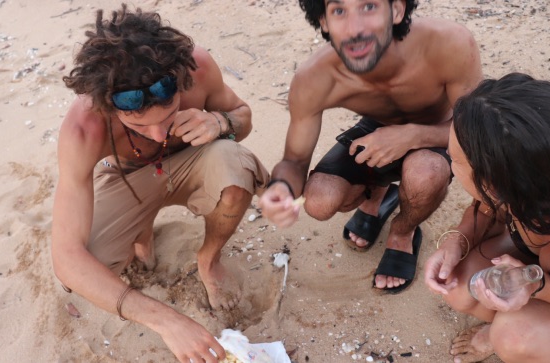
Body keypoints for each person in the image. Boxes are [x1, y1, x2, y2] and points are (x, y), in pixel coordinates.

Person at [50, 5, 269, 363]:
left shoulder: (198, 67)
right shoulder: (83, 127)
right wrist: (167, 321)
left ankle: (209, 261)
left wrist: (219, 122)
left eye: (168, 116)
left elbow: (243, 117)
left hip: (196, 160)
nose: (159, 133)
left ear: (181, 78)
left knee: (235, 164)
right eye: (139, 126)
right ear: (108, 106)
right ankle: (142, 230)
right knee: (91, 268)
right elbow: (67, 259)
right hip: (127, 176)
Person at [258, 0, 482, 293]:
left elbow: (478, 130)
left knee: (426, 172)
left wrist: (412, 136)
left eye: (369, 7)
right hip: (375, 129)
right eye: (339, 11)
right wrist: (282, 188)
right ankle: (376, 197)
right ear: (323, 21)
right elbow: (295, 161)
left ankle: (403, 233)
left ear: (397, 10)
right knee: (318, 200)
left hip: (443, 131)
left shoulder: (448, 43)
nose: (355, 29)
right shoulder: (315, 77)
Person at [424, 72, 550, 362]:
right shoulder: (530, 182)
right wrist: (456, 243)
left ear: (493, 184)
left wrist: (537, 285)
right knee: (460, 285)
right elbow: (485, 208)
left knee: (512, 335)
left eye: (455, 159)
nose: (448, 155)